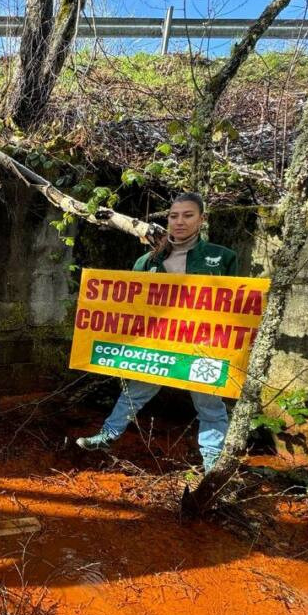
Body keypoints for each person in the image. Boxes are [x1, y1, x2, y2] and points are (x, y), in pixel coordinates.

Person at [75, 192, 236, 471]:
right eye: (174, 216)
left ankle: (212, 462)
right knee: (134, 392)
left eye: (188, 215)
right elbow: (130, 306)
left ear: (202, 219)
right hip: (157, 344)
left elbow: (235, 308)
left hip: (202, 346)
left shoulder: (222, 258)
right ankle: (108, 436)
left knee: (209, 403)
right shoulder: (147, 261)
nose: (179, 222)